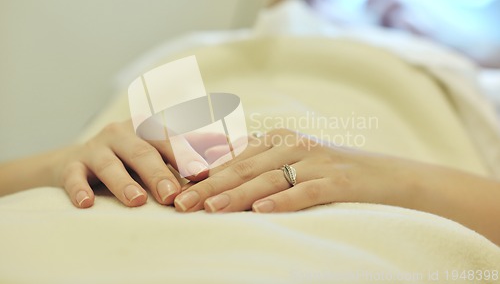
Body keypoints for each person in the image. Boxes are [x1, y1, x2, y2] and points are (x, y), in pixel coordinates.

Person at [1, 118, 499, 246]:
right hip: (99, 195)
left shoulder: (443, 76)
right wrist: (60, 162)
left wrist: (384, 173)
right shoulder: (213, 45)